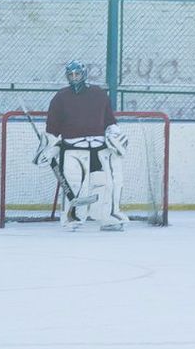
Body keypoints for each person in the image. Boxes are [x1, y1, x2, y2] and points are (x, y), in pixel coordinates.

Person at [34, 59, 128, 230]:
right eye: (71, 74)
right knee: (75, 185)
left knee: (107, 183)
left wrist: (115, 134)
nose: (74, 77)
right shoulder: (60, 98)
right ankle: (74, 218)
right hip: (72, 149)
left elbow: (109, 120)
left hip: (99, 149)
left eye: (77, 74)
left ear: (84, 74)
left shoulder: (99, 94)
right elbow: (52, 129)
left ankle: (108, 217)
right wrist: (49, 149)